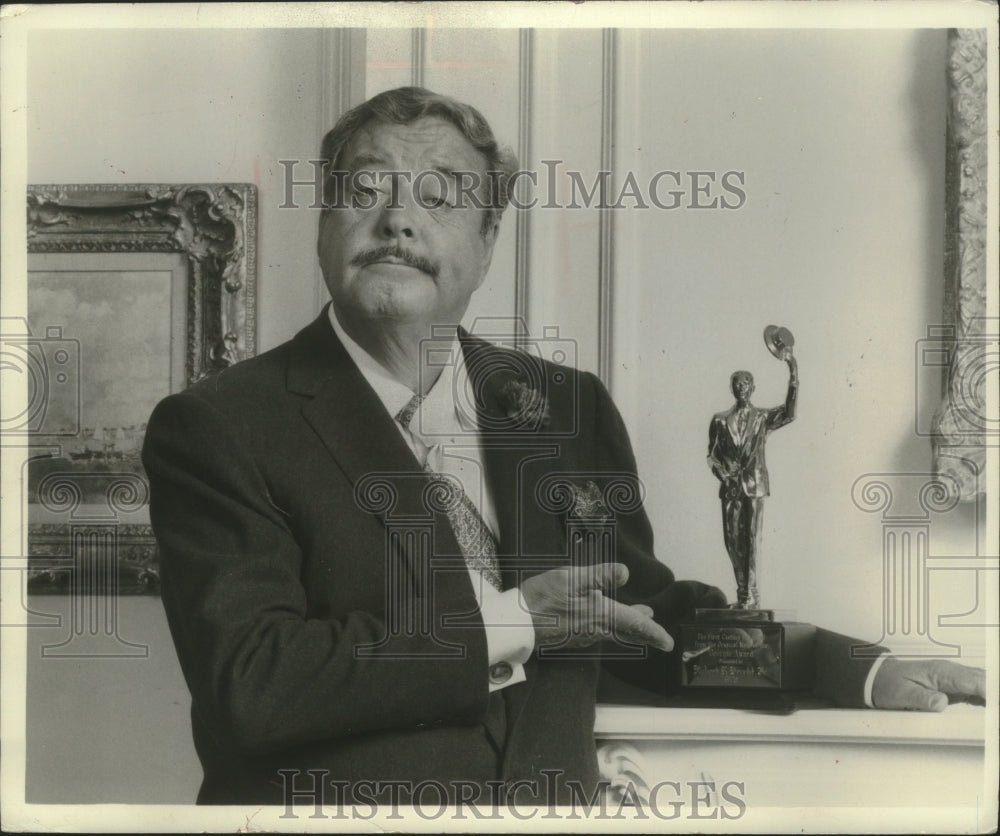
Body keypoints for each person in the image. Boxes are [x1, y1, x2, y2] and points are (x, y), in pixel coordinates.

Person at [142, 86, 985, 808]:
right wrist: (516, 621)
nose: (398, 220)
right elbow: (253, 682)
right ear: (326, 223)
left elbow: (638, 621)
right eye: (365, 191)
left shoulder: (561, 407)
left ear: (486, 241)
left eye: (438, 198)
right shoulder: (219, 425)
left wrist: (853, 669)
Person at [708, 359, 797, 609]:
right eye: (736, 383)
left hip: (755, 485)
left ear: (753, 388)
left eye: (745, 383)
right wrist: (722, 473)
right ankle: (743, 590)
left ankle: (750, 595)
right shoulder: (720, 420)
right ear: (731, 388)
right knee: (732, 540)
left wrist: (794, 374)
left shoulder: (763, 418)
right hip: (730, 487)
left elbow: (789, 413)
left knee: (752, 539)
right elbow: (711, 455)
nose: (740, 387)